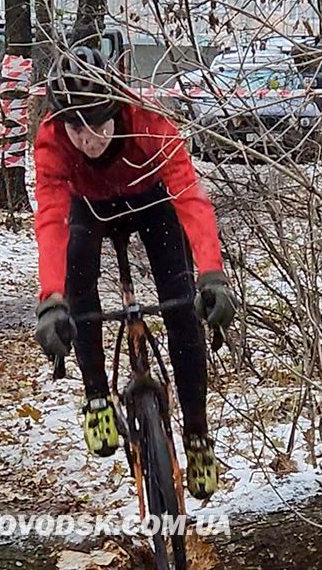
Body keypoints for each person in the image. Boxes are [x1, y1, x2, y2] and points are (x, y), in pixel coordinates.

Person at [32, 44, 237, 500]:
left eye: (98, 124)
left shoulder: (147, 122)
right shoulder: (52, 139)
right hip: (89, 208)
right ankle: (96, 397)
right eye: (76, 128)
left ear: (115, 107)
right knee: (78, 288)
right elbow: (51, 217)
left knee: (182, 306)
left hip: (150, 203)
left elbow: (188, 194)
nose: (89, 140)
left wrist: (212, 274)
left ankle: (198, 435)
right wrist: (51, 299)